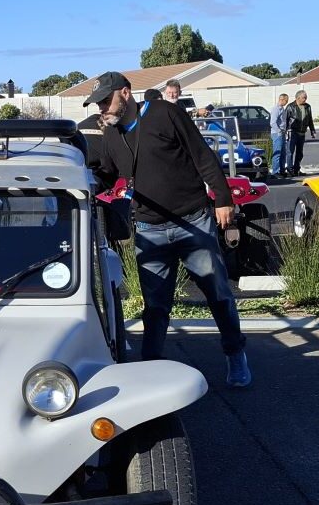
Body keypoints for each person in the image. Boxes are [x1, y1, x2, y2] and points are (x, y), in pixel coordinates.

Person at [86, 71, 250, 387]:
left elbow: (203, 155)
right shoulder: (111, 136)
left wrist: (223, 199)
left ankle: (235, 353)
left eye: (106, 101)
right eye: (98, 104)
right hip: (149, 229)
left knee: (217, 294)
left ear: (126, 93)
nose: (102, 108)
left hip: (192, 221)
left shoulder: (166, 113)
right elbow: (107, 175)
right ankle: (149, 369)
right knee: (155, 306)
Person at [284, 90, 316, 176]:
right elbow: (285, 120)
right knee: (290, 151)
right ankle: (290, 170)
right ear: (298, 98)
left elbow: (310, 119)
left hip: (302, 133)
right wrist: (285, 132)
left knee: (300, 152)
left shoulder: (308, 107)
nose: (305, 99)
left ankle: (296, 169)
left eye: (306, 97)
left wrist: (312, 130)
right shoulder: (290, 107)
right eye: (304, 97)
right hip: (292, 132)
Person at [269, 93, 291, 178]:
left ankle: (282, 170)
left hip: (282, 132)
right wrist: (278, 131)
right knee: (277, 152)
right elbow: (273, 122)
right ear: (282, 100)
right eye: (286, 100)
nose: (286, 102)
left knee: (283, 153)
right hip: (277, 133)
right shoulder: (276, 109)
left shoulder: (282, 109)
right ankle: (275, 171)